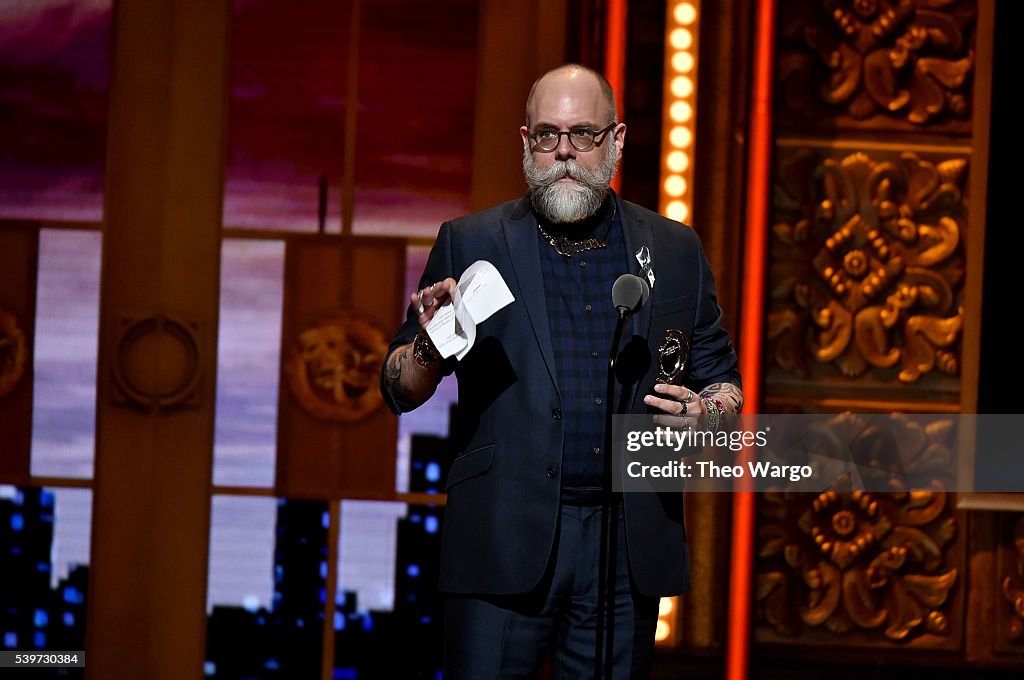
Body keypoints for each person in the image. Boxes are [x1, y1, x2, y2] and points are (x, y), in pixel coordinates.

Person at [381, 63, 742, 679]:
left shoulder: (675, 250)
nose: (566, 153)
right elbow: (397, 390)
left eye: (584, 134)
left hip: (623, 552)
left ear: (618, 140)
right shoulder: (472, 241)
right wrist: (430, 347)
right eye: (548, 136)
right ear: (526, 143)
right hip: (502, 542)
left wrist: (704, 414)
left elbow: (724, 386)